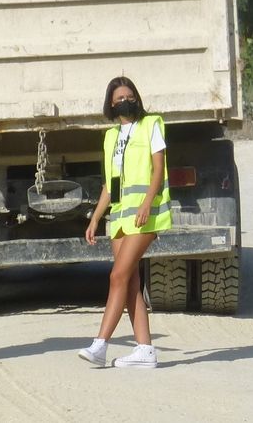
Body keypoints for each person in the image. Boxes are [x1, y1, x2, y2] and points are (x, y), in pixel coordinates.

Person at [77, 76, 171, 370]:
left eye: (128, 96)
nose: (124, 101)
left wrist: (146, 203)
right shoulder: (110, 137)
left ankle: (101, 344)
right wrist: (95, 218)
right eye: (118, 98)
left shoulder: (152, 124)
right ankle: (145, 349)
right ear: (110, 104)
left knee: (117, 276)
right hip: (119, 217)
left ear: (136, 98)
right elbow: (110, 184)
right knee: (130, 282)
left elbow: (159, 169)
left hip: (145, 215)